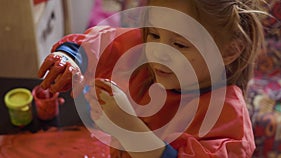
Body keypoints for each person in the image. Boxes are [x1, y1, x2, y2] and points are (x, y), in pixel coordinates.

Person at [37, 0, 266, 157]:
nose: (157, 51)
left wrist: (128, 128)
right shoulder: (140, 51)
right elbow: (94, 44)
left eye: (180, 44)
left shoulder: (229, 121)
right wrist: (68, 58)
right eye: (154, 34)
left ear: (228, 52)